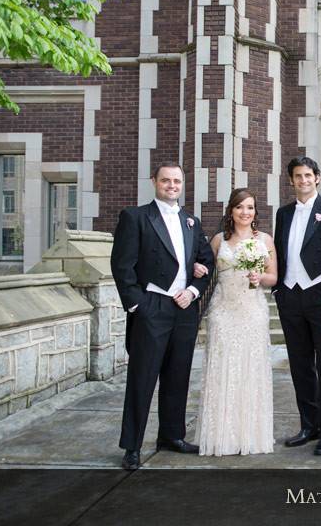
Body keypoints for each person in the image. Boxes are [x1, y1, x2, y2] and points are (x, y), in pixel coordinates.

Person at [110, 163, 214, 471]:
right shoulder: (136, 217)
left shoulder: (191, 221)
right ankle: (132, 445)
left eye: (177, 181)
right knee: (142, 378)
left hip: (184, 309)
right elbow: (122, 266)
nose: (172, 185)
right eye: (166, 180)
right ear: (154, 181)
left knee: (178, 375)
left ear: (183, 184)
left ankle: (171, 435)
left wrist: (194, 291)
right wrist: (138, 305)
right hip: (152, 306)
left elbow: (206, 262)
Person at [272, 157, 321, 456]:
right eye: (297, 176)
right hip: (290, 298)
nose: (303, 180)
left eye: (308, 175)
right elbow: (279, 251)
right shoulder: (284, 213)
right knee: (300, 366)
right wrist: (279, 290)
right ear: (291, 180)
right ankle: (309, 424)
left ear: (317, 178)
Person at [194, 188, 276, 456]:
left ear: (255, 212)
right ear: (231, 211)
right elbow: (204, 266)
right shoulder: (219, 239)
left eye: (250, 208)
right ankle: (221, 436)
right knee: (222, 367)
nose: (245, 212)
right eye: (240, 207)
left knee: (250, 368)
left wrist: (259, 278)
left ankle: (250, 435)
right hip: (223, 310)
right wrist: (197, 268)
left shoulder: (264, 239)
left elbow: (274, 277)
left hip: (252, 310)